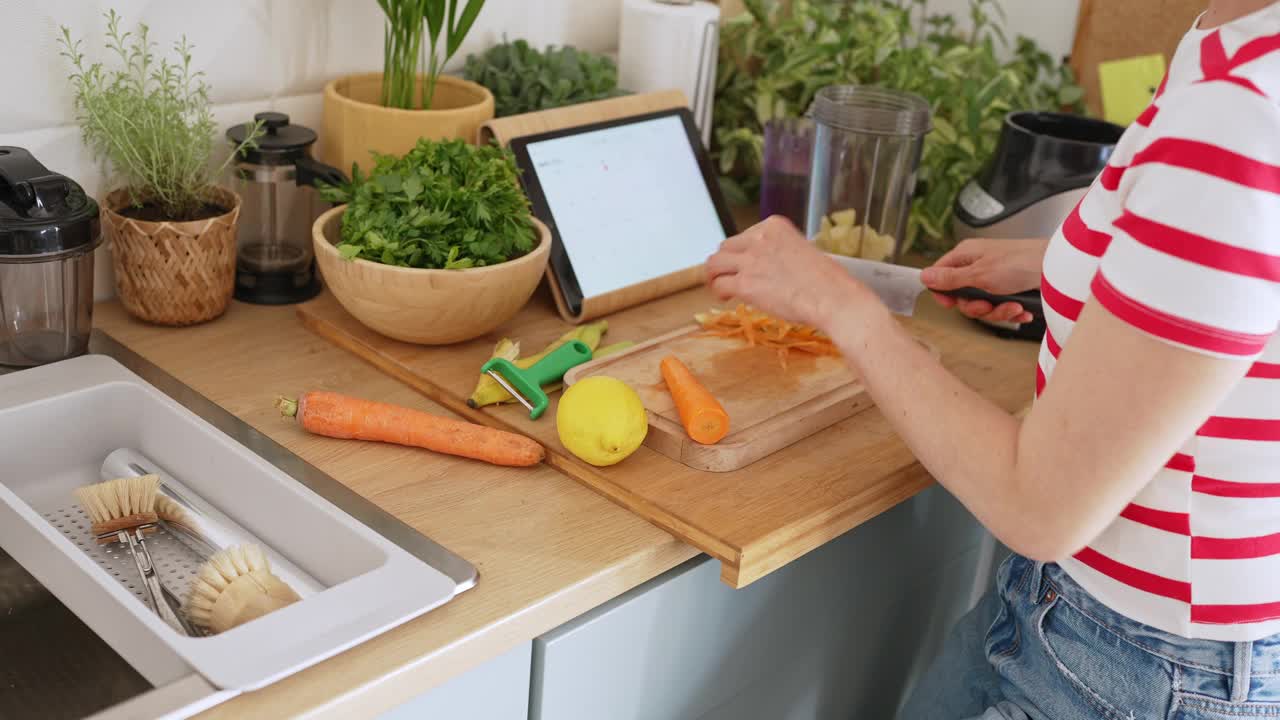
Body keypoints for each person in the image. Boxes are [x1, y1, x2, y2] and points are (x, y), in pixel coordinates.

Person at [705, 1, 1280, 717]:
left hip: (1144, 667)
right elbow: (1233, 270)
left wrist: (844, 305)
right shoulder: (1230, 40)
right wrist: (1071, 261)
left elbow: (1038, 503)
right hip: (1070, 602)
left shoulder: (1244, 114)